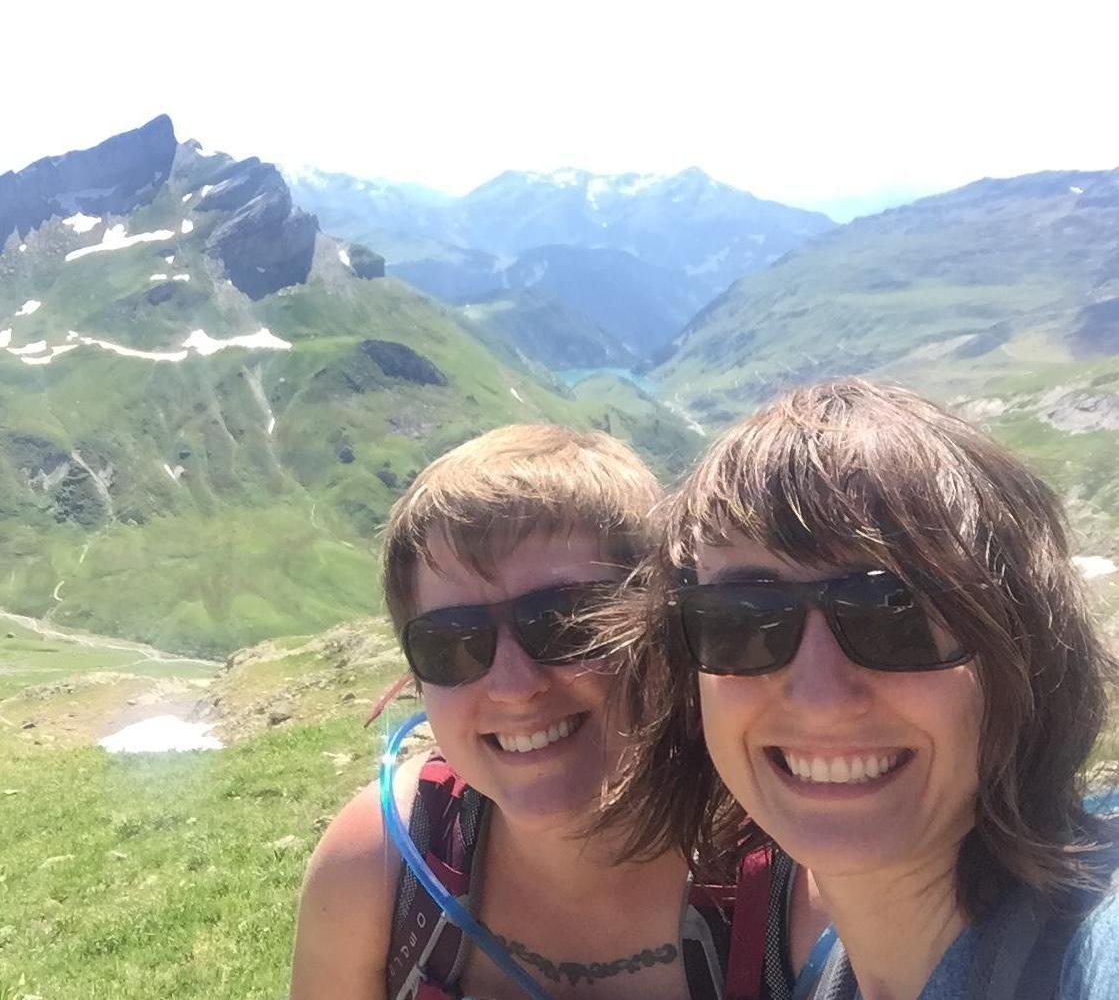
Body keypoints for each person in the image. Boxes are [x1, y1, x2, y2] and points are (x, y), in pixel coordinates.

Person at [604, 379, 1119, 999]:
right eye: (742, 620)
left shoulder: (1094, 950)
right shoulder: (834, 974)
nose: (821, 696)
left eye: (896, 614)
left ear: (1027, 651)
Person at [290, 424, 806, 1000]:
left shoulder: (800, 871)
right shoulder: (381, 862)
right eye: (452, 644)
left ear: (663, 629)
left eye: (567, 623)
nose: (513, 686)